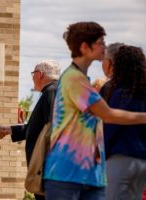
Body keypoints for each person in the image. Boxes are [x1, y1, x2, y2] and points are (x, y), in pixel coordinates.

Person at [43, 21, 146, 200]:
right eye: (100, 43)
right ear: (85, 47)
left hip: (89, 174)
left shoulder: (82, 80)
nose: (105, 47)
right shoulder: (74, 79)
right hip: (67, 173)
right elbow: (108, 114)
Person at [0, 60, 60, 200]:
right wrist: (10, 129)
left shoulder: (52, 91)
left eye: (33, 74)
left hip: (47, 168)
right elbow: (35, 128)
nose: (32, 78)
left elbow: (53, 128)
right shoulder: (50, 91)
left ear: (40, 74)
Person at [100, 45, 146, 200]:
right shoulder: (142, 93)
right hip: (142, 161)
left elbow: (110, 125)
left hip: (121, 158)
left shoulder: (120, 93)